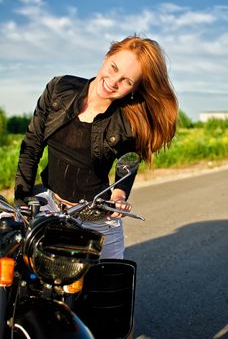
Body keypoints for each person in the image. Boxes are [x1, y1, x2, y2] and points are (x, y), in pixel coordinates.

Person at [14, 35, 178, 259]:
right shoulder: (59, 89)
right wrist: (21, 201)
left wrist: (119, 196)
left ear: (133, 89)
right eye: (113, 67)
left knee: (111, 282)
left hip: (96, 215)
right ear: (107, 56)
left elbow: (127, 162)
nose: (113, 82)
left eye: (127, 81)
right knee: (15, 267)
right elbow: (32, 144)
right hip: (48, 204)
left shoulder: (127, 121)